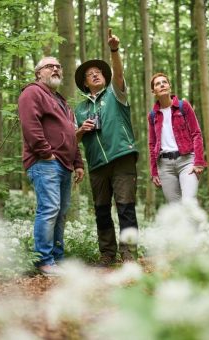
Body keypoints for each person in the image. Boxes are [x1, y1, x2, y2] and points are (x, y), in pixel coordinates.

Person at [74, 29, 138, 267]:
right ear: (85, 82)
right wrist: (81, 130)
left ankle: (129, 253)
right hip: (97, 165)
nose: (95, 75)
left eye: (99, 72)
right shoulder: (79, 109)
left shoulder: (115, 94)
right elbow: (72, 140)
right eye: (90, 74)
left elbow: (119, 73)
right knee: (102, 211)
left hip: (122, 157)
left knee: (125, 207)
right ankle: (107, 255)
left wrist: (114, 50)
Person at [18, 56, 85, 276]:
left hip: (64, 165)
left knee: (61, 212)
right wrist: (46, 153)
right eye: (49, 66)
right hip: (45, 163)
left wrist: (78, 163)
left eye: (58, 66)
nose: (55, 69)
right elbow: (31, 126)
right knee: (49, 210)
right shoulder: (32, 92)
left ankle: (57, 258)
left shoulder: (63, 102)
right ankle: (44, 260)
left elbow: (72, 135)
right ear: (38, 73)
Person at [148, 72, 207, 203]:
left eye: (164, 82)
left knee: (188, 202)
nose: (162, 84)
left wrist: (198, 161)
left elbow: (196, 133)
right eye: (158, 84)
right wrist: (154, 172)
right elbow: (152, 144)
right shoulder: (152, 115)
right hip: (165, 166)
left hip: (186, 161)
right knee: (176, 210)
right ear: (154, 91)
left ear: (169, 86)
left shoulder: (183, 106)